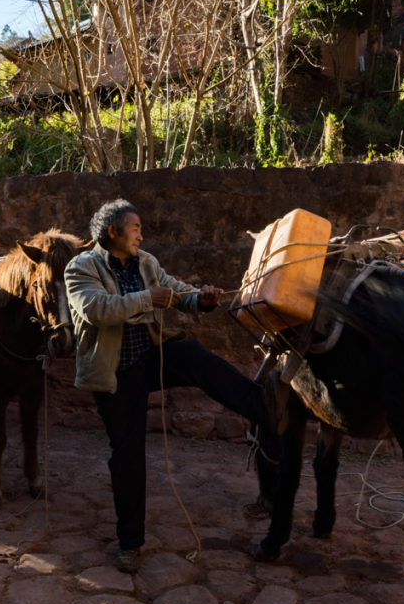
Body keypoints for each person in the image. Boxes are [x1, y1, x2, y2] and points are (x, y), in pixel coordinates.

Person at [65, 199, 270, 574]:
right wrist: (147, 298)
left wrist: (202, 300)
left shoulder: (146, 263)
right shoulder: (80, 267)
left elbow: (178, 291)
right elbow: (96, 309)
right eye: (135, 227)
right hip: (114, 374)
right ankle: (130, 544)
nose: (141, 234)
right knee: (128, 456)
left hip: (150, 358)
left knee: (191, 352)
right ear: (112, 231)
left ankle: (263, 408)